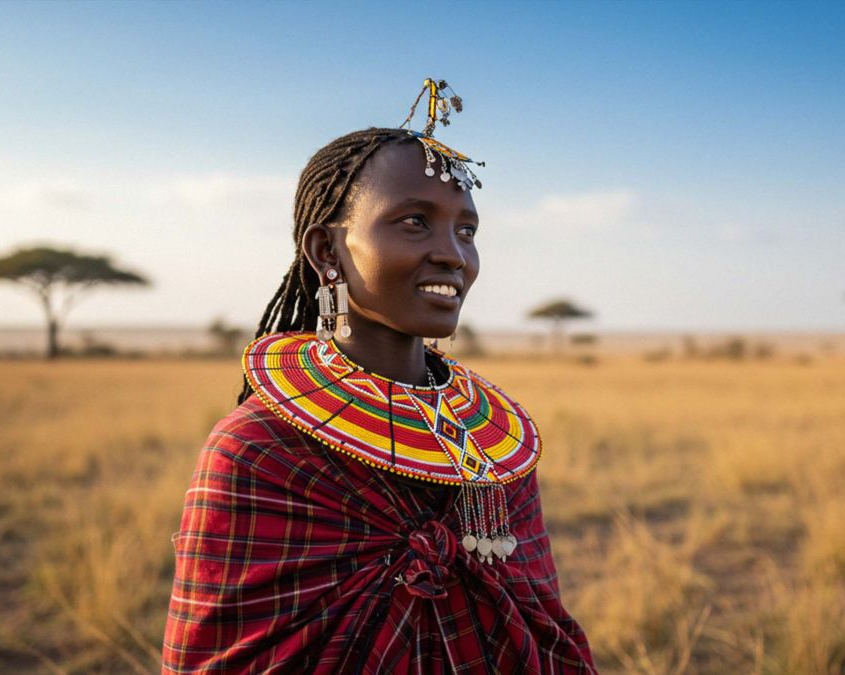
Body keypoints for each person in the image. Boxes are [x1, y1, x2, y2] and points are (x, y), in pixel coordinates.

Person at [163, 80, 595, 674]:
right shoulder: (257, 450)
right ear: (327, 252)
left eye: (466, 230)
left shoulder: (493, 451)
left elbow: (543, 636)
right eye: (415, 222)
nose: (453, 254)